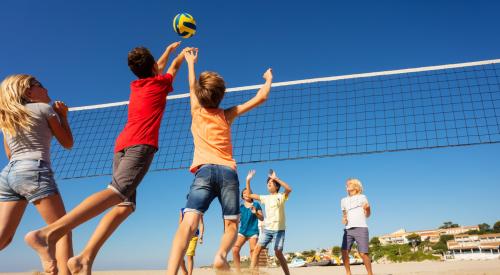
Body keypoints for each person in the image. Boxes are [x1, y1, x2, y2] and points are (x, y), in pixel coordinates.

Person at [25, 41, 190, 275]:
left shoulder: (137, 85)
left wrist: (169, 51)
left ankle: (85, 258)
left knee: (125, 206)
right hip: (140, 145)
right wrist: (182, 55)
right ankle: (47, 234)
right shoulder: (160, 83)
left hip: (122, 145)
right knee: (116, 192)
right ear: (154, 68)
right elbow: (171, 68)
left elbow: (162, 65)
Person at [165, 48, 273, 274]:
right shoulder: (227, 114)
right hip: (227, 172)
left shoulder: (196, 110)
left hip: (203, 172)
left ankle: (171, 272)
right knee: (231, 225)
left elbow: (191, 84)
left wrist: (190, 62)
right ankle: (220, 255)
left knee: (188, 223)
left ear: (199, 94)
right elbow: (261, 97)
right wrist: (268, 78)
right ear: (221, 95)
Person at [0, 75, 74, 275]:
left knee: (3, 239)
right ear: (28, 91)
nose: (46, 88)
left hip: (9, 175)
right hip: (34, 169)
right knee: (61, 229)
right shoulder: (45, 109)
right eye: (40, 85)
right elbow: (67, 143)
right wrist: (63, 116)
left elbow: (9, 154)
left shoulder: (7, 118)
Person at [248, 170, 292, 275]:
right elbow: (249, 194)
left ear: (276, 186)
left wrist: (276, 178)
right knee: (256, 251)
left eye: (271, 183)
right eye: (268, 183)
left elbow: (289, 189)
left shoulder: (281, 197)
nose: (268, 183)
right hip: (267, 230)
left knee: (278, 253)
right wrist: (248, 180)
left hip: (279, 230)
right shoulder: (265, 198)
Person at [233, 170, 264, 272]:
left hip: (253, 231)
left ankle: (255, 272)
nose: (246, 194)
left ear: (251, 194)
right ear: (242, 196)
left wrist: (255, 213)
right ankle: (238, 272)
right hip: (243, 231)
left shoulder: (256, 205)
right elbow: (237, 221)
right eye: (244, 193)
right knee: (235, 250)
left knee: (253, 251)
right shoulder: (241, 207)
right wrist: (236, 220)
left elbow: (262, 218)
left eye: (248, 192)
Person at [341, 178, 373, 275]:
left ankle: (370, 273)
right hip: (348, 229)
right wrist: (344, 219)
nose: (347, 185)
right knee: (344, 251)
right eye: (346, 184)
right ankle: (348, 273)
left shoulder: (362, 197)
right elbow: (344, 214)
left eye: (349, 184)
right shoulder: (343, 200)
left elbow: (367, 214)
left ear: (356, 186)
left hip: (361, 228)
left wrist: (367, 209)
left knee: (363, 254)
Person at [179, 207, 204, 275]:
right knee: (179, 256)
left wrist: (201, 236)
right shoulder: (183, 210)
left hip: (193, 237)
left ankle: (190, 274)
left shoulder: (199, 210)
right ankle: (184, 271)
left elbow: (201, 223)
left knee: (189, 256)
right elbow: (180, 222)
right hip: (184, 235)